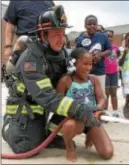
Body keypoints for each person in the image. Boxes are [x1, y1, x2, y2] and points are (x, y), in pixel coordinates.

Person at [2, 6, 103, 154]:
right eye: (56, 34)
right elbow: (46, 96)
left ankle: (53, 136)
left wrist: (90, 104)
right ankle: (8, 126)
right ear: (43, 35)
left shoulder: (61, 53)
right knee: (25, 146)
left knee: (71, 103)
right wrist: (79, 109)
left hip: (46, 105)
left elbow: (70, 82)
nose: (61, 39)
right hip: (27, 107)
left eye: (63, 33)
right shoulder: (31, 59)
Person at [56, 47, 113, 162]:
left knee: (107, 153)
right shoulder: (66, 81)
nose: (88, 68)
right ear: (73, 64)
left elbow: (102, 98)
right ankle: (69, 147)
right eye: (85, 64)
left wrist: (98, 108)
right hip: (75, 120)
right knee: (69, 126)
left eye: (90, 64)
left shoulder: (93, 80)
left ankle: (90, 135)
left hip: (91, 119)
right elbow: (57, 103)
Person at [76, 15, 111, 95]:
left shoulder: (103, 37)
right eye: (89, 24)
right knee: (87, 95)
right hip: (85, 72)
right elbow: (77, 54)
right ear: (85, 26)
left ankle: (100, 108)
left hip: (100, 71)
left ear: (97, 25)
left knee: (100, 94)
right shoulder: (80, 39)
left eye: (94, 24)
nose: (92, 26)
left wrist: (100, 54)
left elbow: (109, 50)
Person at [104, 30, 120, 116]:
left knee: (114, 93)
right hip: (105, 74)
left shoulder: (115, 47)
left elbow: (118, 55)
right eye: (107, 36)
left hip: (114, 73)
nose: (109, 38)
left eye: (111, 36)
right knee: (105, 94)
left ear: (113, 37)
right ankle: (105, 112)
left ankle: (115, 112)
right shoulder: (102, 47)